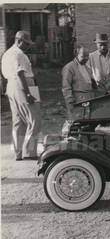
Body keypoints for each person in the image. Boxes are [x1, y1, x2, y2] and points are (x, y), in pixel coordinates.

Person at [1, 31, 41, 160]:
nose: (28, 46)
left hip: (11, 86)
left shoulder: (7, 53)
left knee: (18, 121)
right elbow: (20, 74)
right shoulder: (18, 54)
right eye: (26, 43)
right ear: (19, 41)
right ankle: (29, 152)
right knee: (35, 120)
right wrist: (28, 93)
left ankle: (18, 153)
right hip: (22, 86)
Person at [62, 46, 96, 120]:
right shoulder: (69, 67)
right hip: (77, 100)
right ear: (76, 54)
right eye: (83, 56)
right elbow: (66, 86)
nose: (86, 58)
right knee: (76, 122)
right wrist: (70, 101)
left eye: (87, 56)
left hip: (89, 99)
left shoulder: (88, 68)